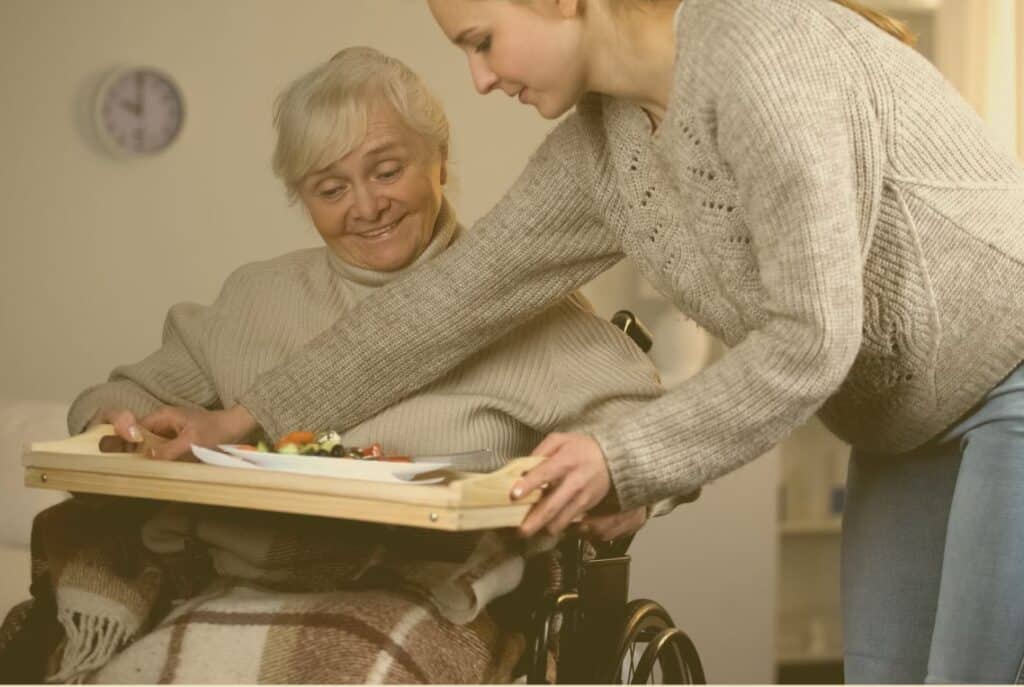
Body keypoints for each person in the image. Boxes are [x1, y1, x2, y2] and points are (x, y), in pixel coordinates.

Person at [116, 0, 1024, 683]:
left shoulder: (763, 52)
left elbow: (812, 337)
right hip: (903, 427)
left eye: (480, 40)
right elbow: (446, 303)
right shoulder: (604, 144)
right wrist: (247, 417)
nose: (477, 78)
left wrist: (620, 456)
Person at [40, 46, 672, 683]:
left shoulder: (531, 305)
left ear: (441, 161)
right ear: (302, 198)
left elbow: (641, 426)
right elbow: (123, 397)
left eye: (388, 170)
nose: (367, 207)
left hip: (438, 598)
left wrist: (624, 484)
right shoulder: (255, 298)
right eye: (331, 188)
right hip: (247, 584)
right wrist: (113, 420)